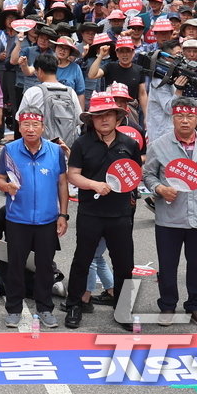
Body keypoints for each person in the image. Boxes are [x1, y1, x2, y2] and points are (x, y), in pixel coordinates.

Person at [142, 99, 197, 326]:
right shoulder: (159, 145)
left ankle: (195, 306)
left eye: (190, 116)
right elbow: (148, 175)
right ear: (173, 118)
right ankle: (168, 305)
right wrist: (159, 188)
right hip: (169, 217)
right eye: (180, 116)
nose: (185, 120)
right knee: (168, 265)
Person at [64, 94, 142, 330]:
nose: (104, 119)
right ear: (92, 120)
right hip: (91, 211)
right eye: (98, 116)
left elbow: (135, 174)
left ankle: (123, 309)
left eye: (109, 114)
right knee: (82, 260)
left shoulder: (129, 144)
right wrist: (93, 184)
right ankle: (75, 305)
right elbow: (73, 174)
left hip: (120, 214)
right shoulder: (81, 143)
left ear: (118, 117)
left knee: (124, 263)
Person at [0, 110, 69, 328]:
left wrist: (63, 214)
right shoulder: (9, 150)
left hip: (47, 220)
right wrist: (6, 186)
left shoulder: (55, 151)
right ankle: (14, 308)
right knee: (15, 266)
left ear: (43, 127)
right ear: (19, 127)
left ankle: (45, 308)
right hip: (18, 218)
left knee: (45, 266)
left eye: (34, 125)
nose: (30, 129)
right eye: (25, 124)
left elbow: (62, 183)